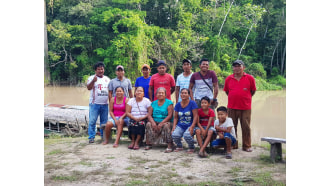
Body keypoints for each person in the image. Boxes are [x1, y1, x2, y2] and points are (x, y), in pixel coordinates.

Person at [223, 60, 256, 152]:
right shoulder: (228, 78)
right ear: (233, 68)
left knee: (246, 127)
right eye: (235, 66)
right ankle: (234, 144)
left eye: (239, 66)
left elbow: (253, 91)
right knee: (232, 127)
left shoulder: (250, 78)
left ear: (243, 68)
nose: (237, 68)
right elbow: (227, 91)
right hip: (231, 107)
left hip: (245, 107)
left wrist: (244, 97)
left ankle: (247, 145)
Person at [86, 62, 111, 143]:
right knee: (92, 121)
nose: (100, 71)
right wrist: (93, 81)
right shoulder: (91, 78)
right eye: (99, 69)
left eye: (102, 69)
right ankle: (91, 137)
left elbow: (110, 91)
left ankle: (103, 137)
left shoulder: (107, 79)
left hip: (105, 104)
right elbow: (89, 88)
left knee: (104, 122)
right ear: (95, 70)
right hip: (94, 104)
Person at [145, 87, 174, 152]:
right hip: (155, 120)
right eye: (159, 93)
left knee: (166, 126)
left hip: (166, 121)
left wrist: (161, 123)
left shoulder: (169, 103)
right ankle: (149, 143)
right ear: (156, 95)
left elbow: (170, 115)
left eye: (162, 93)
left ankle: (169, 144)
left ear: (165, 95)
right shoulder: (153, 103)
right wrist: (153, 122)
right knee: (148, 124)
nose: (160, 94)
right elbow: (149, 115)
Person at [171, 88, 198, 154]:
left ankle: (191, 147)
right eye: (182, 93)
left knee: (187, 135)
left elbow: (195, 116)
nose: (183, 94)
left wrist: (192, 126)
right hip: (181, 125)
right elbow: (176, 118)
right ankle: (179, 146)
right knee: (174, 134)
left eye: (185, 93)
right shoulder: (177, 105)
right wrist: (174, 126)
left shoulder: (192, 103)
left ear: (189, 95)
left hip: (190, 124)